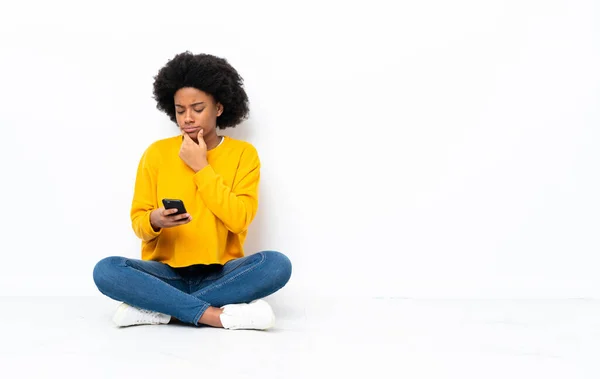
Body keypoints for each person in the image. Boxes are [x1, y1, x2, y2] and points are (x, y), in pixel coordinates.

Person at [92, 52, 292, 330]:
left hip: (221, 274)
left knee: (276, 265)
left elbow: (239, 219)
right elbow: (139, 223)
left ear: (219, 108)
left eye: (197, 108)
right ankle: (216, 316)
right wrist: (155, 220)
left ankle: (160, 309)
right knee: (107, 270)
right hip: (166, 274)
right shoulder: (157, 153)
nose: (187, 118)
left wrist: (201, 168)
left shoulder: (243, 154)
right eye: (180, 109)